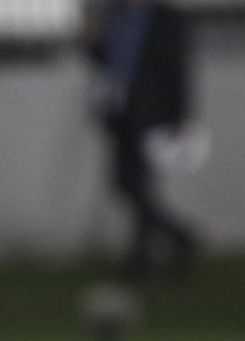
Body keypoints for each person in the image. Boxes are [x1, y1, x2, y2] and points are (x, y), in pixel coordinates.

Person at [86, 0, 199, 282]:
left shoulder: (167, 20)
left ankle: (145, 255)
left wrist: (179, 116)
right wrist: (90, 41)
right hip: (120, 112)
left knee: (137, 183)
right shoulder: (115, 16)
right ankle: (173, 237)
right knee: (126, 183)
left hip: (152, 115)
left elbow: (178, 69)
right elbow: (108, 60)